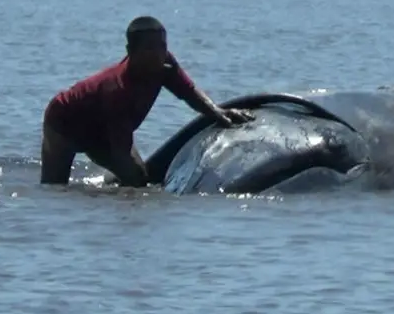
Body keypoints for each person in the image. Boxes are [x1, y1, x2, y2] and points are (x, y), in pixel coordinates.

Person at [40, 15, 254, 187]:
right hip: (64, 123)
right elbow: (120, 151)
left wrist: (219, 113)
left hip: (105, 128)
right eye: (149, 48)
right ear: (130, 52)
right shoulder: (118, 89)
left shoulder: (165, 67)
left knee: (138, 177)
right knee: (55, 188)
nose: (158, 54)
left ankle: (104, 189)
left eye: (162, 46)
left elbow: (189, 92)